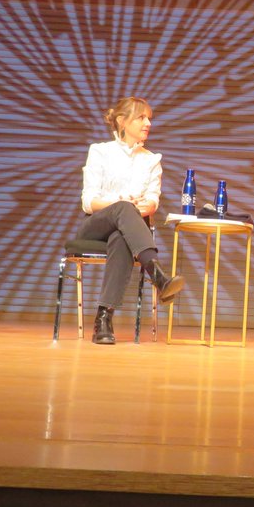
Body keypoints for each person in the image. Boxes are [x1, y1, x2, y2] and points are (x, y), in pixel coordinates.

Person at [77, 96, 184, 345]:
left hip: (129, 230)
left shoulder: (151, 159)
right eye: (141, 118)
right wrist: (122, 202)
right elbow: (89, 201)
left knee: (121, 238)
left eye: (149, 118)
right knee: (124, 208)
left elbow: (152, 201)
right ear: (122, 121)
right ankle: (157, 274)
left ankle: (104, 319)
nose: (148, 123)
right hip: (96, 225)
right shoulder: (100, 151)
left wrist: (145, 206)